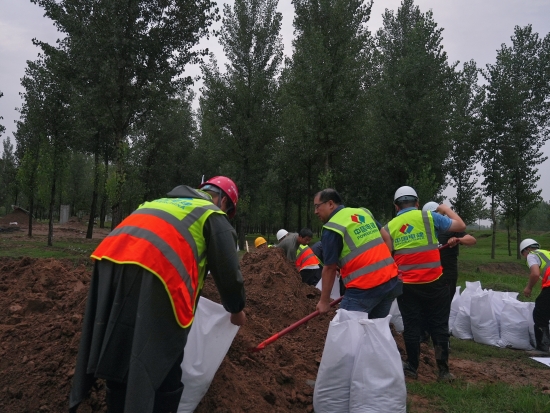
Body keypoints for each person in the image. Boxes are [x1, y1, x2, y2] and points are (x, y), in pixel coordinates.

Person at [69, 176, 246, 413]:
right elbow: (228, 271)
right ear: (224, 200)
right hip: (157, 271)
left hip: (109, 262)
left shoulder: (157, 202)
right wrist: (236, 309)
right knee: (163, 356)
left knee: (120, 345)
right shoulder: (211, 213)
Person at [385, 186, 465, 382]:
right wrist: (445, 209)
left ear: (396, 206)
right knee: (439, 325)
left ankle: (412, 367)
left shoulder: (389, 227)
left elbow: (387, 258)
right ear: (417, 203)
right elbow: (460, 226)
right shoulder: (430, 218)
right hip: (434, 282)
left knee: (412, 326)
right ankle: (444, 371)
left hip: (407, 286)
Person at [313, 188, 402, 318]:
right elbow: (386, 238)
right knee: (375, 329)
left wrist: (324, 301)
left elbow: (329, 268)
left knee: (346, 329)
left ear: (330, 204)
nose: (315, 211)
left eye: (317, 206)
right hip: (390, 282)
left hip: (364, 289)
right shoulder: (362, 212)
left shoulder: (332, 228)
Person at [422, 201, 477, 318]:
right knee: (427, 305)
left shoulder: (449, 227)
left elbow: (471, 240)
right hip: (429, 274)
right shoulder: (423, 231)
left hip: (447, 274)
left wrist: (459, 240)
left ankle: (439, 330)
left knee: (444, 305)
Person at [520, 238, 550, 352]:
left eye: (523, 254)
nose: (525, 257)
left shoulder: (532, 254)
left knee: (540, 313)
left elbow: (535, 273)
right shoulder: (546, 253)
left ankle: (543, 348)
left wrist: (529, 288)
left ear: (526, 250)